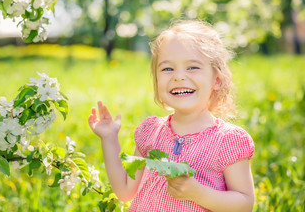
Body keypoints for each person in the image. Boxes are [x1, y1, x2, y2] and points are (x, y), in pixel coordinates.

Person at [88, 20, 255, 212]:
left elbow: (244, 204)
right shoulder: (151, 132)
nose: (178, 76)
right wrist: (109, 138)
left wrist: (197, 193)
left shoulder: (227, 141)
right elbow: (125, 191)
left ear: (216, 80)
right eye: (167, 69)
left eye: (192, 67)